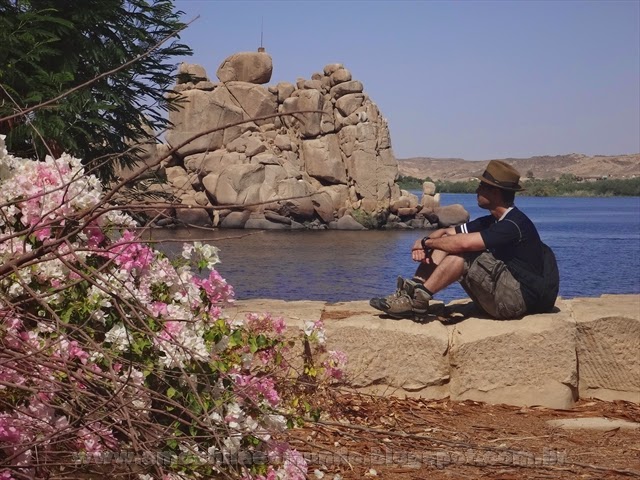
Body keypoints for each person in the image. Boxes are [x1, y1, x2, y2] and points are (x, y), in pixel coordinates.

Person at [370, 160, 559, 320]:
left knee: (464, 253)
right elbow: (447, 233)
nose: (477, 190)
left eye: (482, 186)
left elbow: (463, 244)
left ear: (495, 192)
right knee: (450, 243)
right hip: (503, 295)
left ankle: (417, 301)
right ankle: (411, 293)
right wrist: (426, 239)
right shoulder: (491, 220)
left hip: (516, 302)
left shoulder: (513, 224)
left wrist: (427, 243)